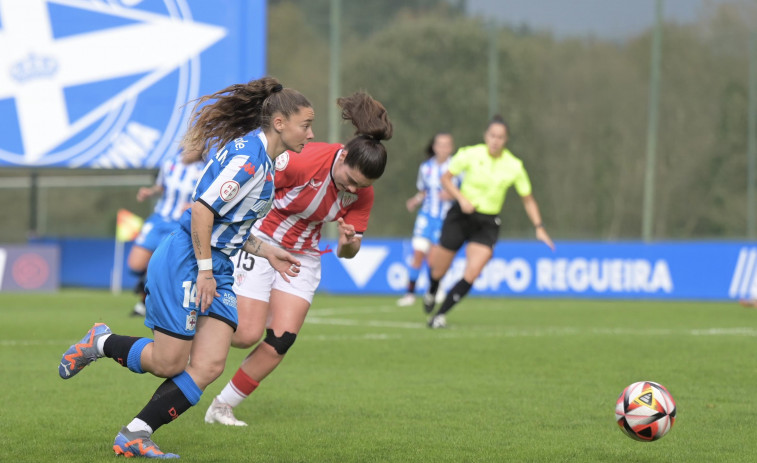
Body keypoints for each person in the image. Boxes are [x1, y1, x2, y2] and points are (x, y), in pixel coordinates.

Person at [57, 76, 314, 459]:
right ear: (280, 123)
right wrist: (205, 271)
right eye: (306, 124)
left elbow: (230, 225)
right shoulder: (249, 158)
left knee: (209, 365)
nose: (311, 133)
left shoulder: (268, 161)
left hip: (218, 265)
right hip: (188, 261)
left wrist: (267, 251)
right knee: (168, 362)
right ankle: (100, 342)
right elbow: (201, 211)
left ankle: (135, 433)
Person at [203, 92, 393, 426]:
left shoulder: (363, 192)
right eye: (350, 179)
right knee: (246, 333)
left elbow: (349, 252)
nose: (352, 188)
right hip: (262, 239)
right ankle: (186, 325)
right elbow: (255, 188)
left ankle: (222, 406)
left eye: (361, 186)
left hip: (303, 254)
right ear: (343, 154)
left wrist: (349, 241)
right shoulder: (302, 160)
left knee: (281, 339)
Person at [424, 115, 555, 329]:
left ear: (506, 140)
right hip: (460, 216)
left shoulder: (514, 166)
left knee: (473, 271)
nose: (496, 140)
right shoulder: (470, 154)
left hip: (487, 223)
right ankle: (432, 290)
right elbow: (445, 178)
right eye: (492, 135)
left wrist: (539, 227)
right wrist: (461, 198)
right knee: (438, 270)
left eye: (500, 137)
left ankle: (440, 315)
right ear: (486, 136)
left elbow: (528, 199)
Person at [128, 147, 205, 317]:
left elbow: (209, 198)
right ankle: (145, 286)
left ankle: (146, 302)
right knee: (135, 264)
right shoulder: (170, 163)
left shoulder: (204, 170)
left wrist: (195, 206)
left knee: (162, 267)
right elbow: (161, 187)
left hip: (179, 224)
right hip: (158, 219)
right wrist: (150, 192)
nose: (188, 151)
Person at [397, 131, 456, 307]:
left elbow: (463, 191)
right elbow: (424, 191)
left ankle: (436, 289)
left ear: (451, 148)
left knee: (435, 259)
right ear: (434, 147)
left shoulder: (456, 167)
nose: (443, 148)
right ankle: (409, 294)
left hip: (445, 218)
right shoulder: (426, 167)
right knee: (418, 254)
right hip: (426, 216)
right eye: (440, 144)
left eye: (447, 145)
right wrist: (415, 200)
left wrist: (451, 195)